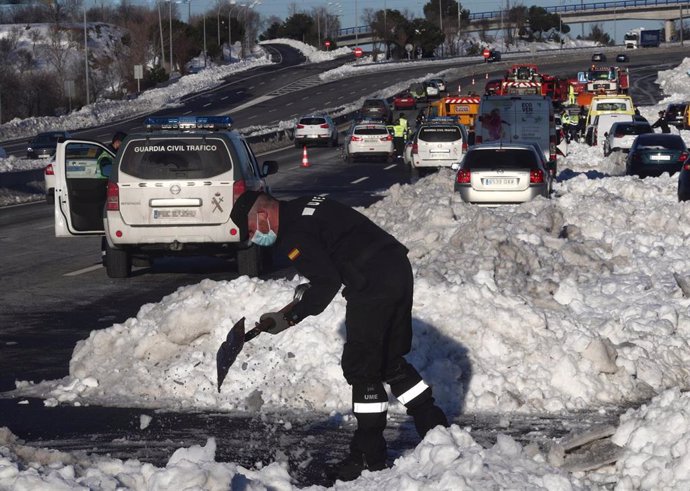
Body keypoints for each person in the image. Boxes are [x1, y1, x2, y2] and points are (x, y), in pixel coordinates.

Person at [230, 191, 449, 481]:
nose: (254, 238)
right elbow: (331, 258)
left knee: (362, 367)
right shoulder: (301, 205)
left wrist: (291, 317)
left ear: (262, 215)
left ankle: (368, 456)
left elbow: (327, 282)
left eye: (251, 230)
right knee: (388, 361)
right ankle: (436, 429)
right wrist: (300, 301)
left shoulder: (294, 234)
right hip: (395, 269)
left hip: (371, 283)